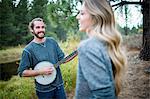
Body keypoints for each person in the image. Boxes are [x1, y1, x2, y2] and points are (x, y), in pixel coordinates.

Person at [75, 0, 127, 99]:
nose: (77, 17)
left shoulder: (88, 47)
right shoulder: (106, 43)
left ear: (95, 17)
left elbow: (105, 95)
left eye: (82, 13)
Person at [18, 18, 67, 99]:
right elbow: (22, 72)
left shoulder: (52, 42)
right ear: (32, 30)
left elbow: (63, 59)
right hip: (44, 91)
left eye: (42, 27)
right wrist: (41, 71)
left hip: (59, 86)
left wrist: (77, 52)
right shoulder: (28, 50)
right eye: (37, 27)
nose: (41, 30)